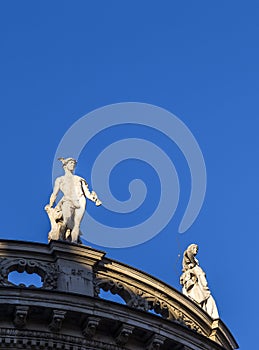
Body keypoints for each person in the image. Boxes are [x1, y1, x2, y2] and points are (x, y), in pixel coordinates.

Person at [45, 157, 102, 243]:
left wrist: (93, 198)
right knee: (66, 222)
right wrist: (50, 204)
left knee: (76, 224)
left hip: (80, 200)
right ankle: (61, 239)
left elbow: (86, 193)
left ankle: (74, 243)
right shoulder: (60, 179)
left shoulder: (79, 179)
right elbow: (55, 193)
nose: (72, 165)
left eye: (73, 163)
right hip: (68, 200)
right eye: (70, 163)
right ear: (65, 166)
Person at [180, 244, 219, 319]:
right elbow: (188, 253)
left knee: (208, 302)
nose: (196, 250)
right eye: (195, 248)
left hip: (199, 287)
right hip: (195, 287)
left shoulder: (196, 267)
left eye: (197, 249)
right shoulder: (192, 266)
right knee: (196, 300)